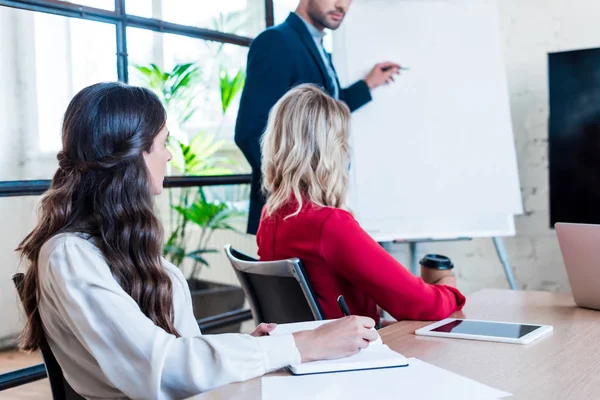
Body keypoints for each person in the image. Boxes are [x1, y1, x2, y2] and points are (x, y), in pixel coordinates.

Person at [16, 82, 379, 399]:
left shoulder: (115, 248)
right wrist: (303, 345)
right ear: (132, 155)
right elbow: (160, 369)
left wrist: (252, 348)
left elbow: (178, 353)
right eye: (163, 143)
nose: (170, 155)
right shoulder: (69, 255)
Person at [257, 84, 466, 326]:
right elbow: (422, 304)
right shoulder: (329, 224)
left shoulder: (270, 215)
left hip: (305, 350)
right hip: (349, 354)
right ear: (332, 151)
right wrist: (448, 284)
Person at [235, 0, 401, 235]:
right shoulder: (276, 42)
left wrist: (368, 84)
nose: (341, 5)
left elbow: (325, 110)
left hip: (318, 207)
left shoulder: (319, 48)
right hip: (292, 213)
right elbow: (250, 131)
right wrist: (292, 197)